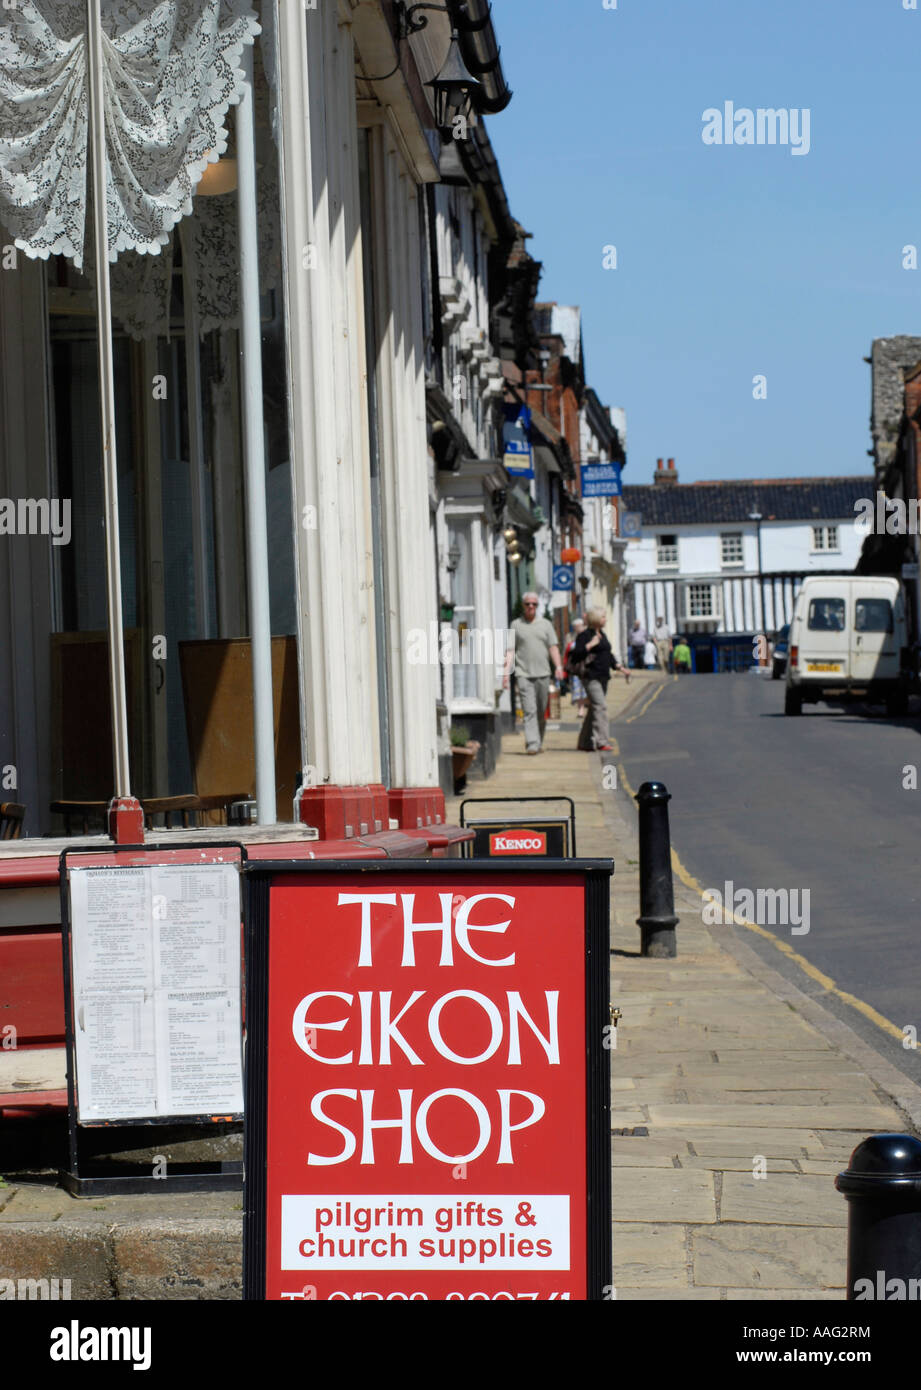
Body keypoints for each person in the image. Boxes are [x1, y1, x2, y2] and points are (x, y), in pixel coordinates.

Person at [502, 592, 564, 755]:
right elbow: (510, 650)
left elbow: (553, 647)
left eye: (534, 604)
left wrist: (558, 667)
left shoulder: (546, 625)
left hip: (543, 673)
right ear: (523, 605)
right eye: (528, 604)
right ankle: (532, 743)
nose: (531, 607)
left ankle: (539, 740)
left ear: (537, 606)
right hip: (523, 674)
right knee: (529, 710)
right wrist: (506, 675)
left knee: (541, 712)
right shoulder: (516, 625)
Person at [571, 607, 630, 751]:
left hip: (603, 677)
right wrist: (590, 645)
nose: (605, 619)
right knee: (601, 707)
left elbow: (607, 654)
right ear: (596, 619)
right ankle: (601, 741)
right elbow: (576, 654)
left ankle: (584, 742)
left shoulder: (602, 634)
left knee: (594, 709)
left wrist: (620, 668)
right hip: (591, 677)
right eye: (603, 617)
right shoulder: (585, 635)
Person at [564, 618, 588, 717]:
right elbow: (566, 652)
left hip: (586, 666)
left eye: (578, 626)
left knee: (587, 688)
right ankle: (580, 709)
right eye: (575, 627)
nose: (577, 628)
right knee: (577, 689)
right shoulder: (570, 637)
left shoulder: (587, 636)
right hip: (576, 668)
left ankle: (588, 706)